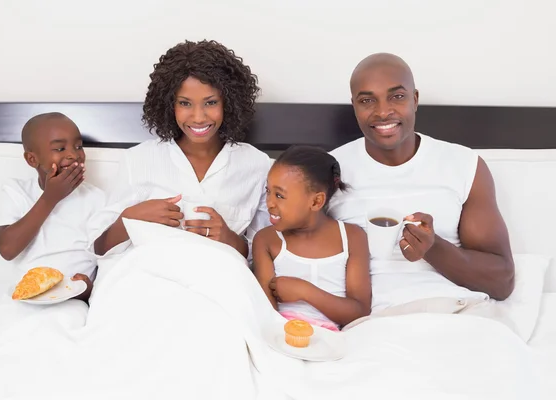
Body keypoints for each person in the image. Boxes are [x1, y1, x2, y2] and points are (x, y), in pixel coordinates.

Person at [329, 53, 515, 325]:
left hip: (461, 314)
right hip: (375, 323)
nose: (383, 112)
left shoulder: (464, 165)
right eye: (367, 100)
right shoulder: (328, 171)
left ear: (415, 99)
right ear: (354, 106)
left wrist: (433, 247)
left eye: (397, 96)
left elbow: (502, 281)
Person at [91, 40, 271, 269]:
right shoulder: (138, 160)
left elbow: (267, 252)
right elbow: (99, 249)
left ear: (229, 103)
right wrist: (130, 217)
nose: (198, 117)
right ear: (169, 105)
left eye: (211, 102)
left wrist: (232, 240)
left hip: (222, 280)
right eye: (185, 103)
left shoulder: (257, 165)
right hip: (146, 279)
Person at [253, 145, 371, 331]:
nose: (269, 203)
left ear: (316, 201)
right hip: (281, 336)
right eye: (268, 192)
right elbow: (266, 314)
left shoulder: (352, 238)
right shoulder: (266, 241)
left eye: (279, 195)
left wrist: (304, 291)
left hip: (333, 340)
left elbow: (359, 312)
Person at [0, 112, 105, 302]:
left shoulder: (97, 199)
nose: (73, 154)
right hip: (25, 298)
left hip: (73, 300)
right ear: (32, 160)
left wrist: (88, 289)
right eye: (60, 148)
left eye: (78, 146)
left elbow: (105, 259)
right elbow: (7, 249)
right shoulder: (16, 191)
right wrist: (50, 198)